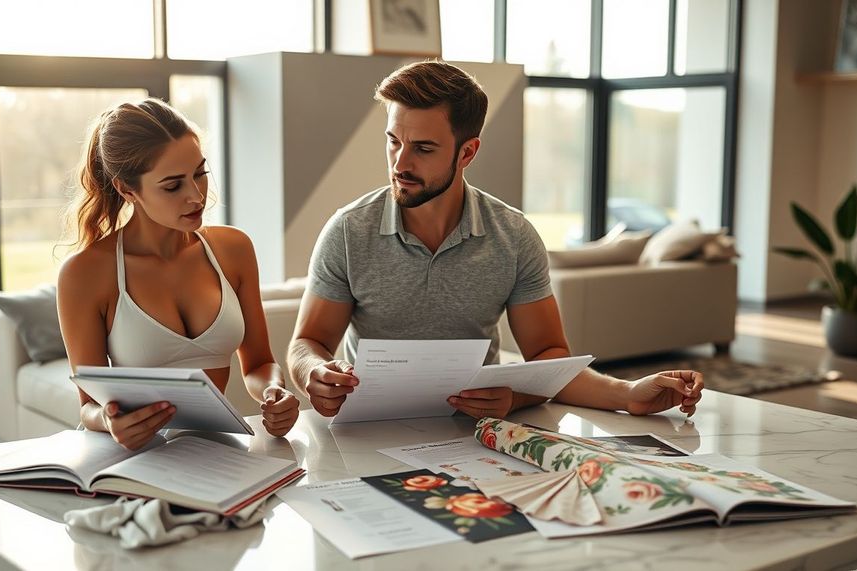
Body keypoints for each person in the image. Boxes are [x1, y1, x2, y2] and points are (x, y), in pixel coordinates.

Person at [287, 61, 704, 420]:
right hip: (366, 430)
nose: (401, 162)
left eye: (423, 148)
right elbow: (309, 344)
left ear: (467, 153)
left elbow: (548, 357)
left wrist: (627, 394)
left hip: (476, 437)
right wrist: (314, 373)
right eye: (393, 141)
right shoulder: (347, 231)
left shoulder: (514, 236)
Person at [58, 98, 299, 450]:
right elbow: (89, 407)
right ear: (128, 190)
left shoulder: (233, 249)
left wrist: (275, 392)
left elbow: (259, 363)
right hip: (128, 455)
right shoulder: (86, 272)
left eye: (200, 173)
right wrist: (109, 421)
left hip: (215, 449)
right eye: (173, 186)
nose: (196, 195)